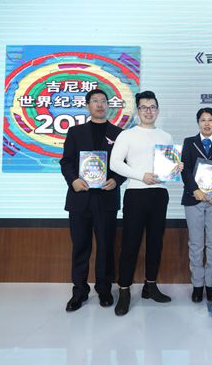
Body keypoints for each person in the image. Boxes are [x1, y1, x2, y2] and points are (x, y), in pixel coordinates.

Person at [109, 90, 181, 316]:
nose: (148, 111)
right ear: (137, 111)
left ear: (158, 110)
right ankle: (124, 290)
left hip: (159, 194)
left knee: (155, 243)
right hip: (136, 194)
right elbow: (114, 163)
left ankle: (150, 286)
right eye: (144, 107)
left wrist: (176, 168)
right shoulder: (127, 135)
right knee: (130, 244)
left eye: (152, 107)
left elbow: (168, 167)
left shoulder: (166, 136)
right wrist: (142, 176)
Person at [60, 88, 125, 312]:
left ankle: (104, 290)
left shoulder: (119, 134)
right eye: (95, 101)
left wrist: (116, 180)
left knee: (106, 247)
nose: (99, 104)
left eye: (103, 101)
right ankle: (79, 292)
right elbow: (66, 162)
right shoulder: (75, 132)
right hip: (80, 197)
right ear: (87, 105)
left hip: (106, 198)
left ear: (109, 105)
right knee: (80, 247)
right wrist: (73, 180)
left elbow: (124, 165)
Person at [181, 108, 212, 303]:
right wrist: (195, 189)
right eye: (203, 120)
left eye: (210, 120)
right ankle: (197, 285)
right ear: (198, 122)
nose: (207, 123)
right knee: (195, 244)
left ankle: (210, 285)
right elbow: (184, 170)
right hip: (193, 199)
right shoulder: (189, 142)